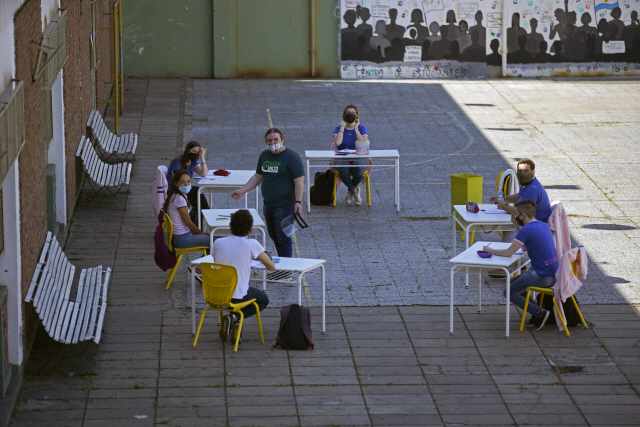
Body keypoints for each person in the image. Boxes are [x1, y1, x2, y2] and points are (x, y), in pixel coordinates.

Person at [482, 200, 558, 330]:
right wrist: (517, 226)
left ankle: (539, 313)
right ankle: (538, 312)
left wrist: (489, 250)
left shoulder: (527, 230)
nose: (515, 216)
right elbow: (523, 248)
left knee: (509, 292)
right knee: (512, 284)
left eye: (516, 214)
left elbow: (508, 253)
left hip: (541, 275)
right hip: (552, 273)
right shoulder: (542, 225)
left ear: (523, 215)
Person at [231, 128, 304, 258]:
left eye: (276, 139)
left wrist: (298, 202)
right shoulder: (264, 155)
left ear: (282, 140)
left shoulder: (292, 157)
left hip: (285, 206)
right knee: (274, 236)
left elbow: (299, 181)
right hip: (268, 205)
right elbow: (258, 177)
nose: (273, 142)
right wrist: (242, 190)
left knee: (284, 239)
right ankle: (282, 266)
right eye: (269, 140)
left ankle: (286, 271)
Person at [212, 209, 275, 343]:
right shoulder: (252, 244)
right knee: (263, 300)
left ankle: (234, 325)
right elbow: (271, 266)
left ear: (231, 225)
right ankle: (235, 318)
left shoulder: (218, 242)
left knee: (238, 289)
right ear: (249, 228)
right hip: (236, 296)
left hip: (216, 294)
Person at [490, 158, 552, 228]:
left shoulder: (532, 190)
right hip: (533, 223)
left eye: (526, 171)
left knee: (509, 229)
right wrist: (502, 198)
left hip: (537, 227)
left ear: (533, 172)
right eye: (520, 171)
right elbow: (520, 195)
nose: (522, 174)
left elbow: (522, 213)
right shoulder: (528, 183)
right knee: (507, 228)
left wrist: (504, 207)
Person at [162, 169, 211, 249]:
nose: (186, 184)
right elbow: (189, 223)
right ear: (176, 184)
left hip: (182, 236)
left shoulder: (176, 195)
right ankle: (206, 260)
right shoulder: (179, 199)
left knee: (215, 236)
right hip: (182, 238)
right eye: (182, 182)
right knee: (216, 240)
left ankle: (206, 258)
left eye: (188, 181)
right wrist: (202, 234)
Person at [333, 105, 368, 206]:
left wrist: (356, 129)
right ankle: (355, 191)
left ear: (357, 116)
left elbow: (363, 143)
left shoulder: (362, 128)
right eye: (349, 113)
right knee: (343, 169)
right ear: (344, 115)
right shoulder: (338, 128)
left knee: (359, 169)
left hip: (358, 157)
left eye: (353, 113)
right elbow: (338, 143)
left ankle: (350, 190)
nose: (351, 115)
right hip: (342, 158)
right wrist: (342, 127)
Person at [166, 141, 210, 218]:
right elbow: (176, 180)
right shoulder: (177, 162)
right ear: (188, 150)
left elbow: (204, 173)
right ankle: (207, 214)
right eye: (193, 151)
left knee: (198, 197)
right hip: (175, 190)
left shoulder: (192, 161)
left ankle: (204, 217)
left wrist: (202, 157)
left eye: (197, 152)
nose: (195, 154)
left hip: (185, 190)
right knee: (198, 192)